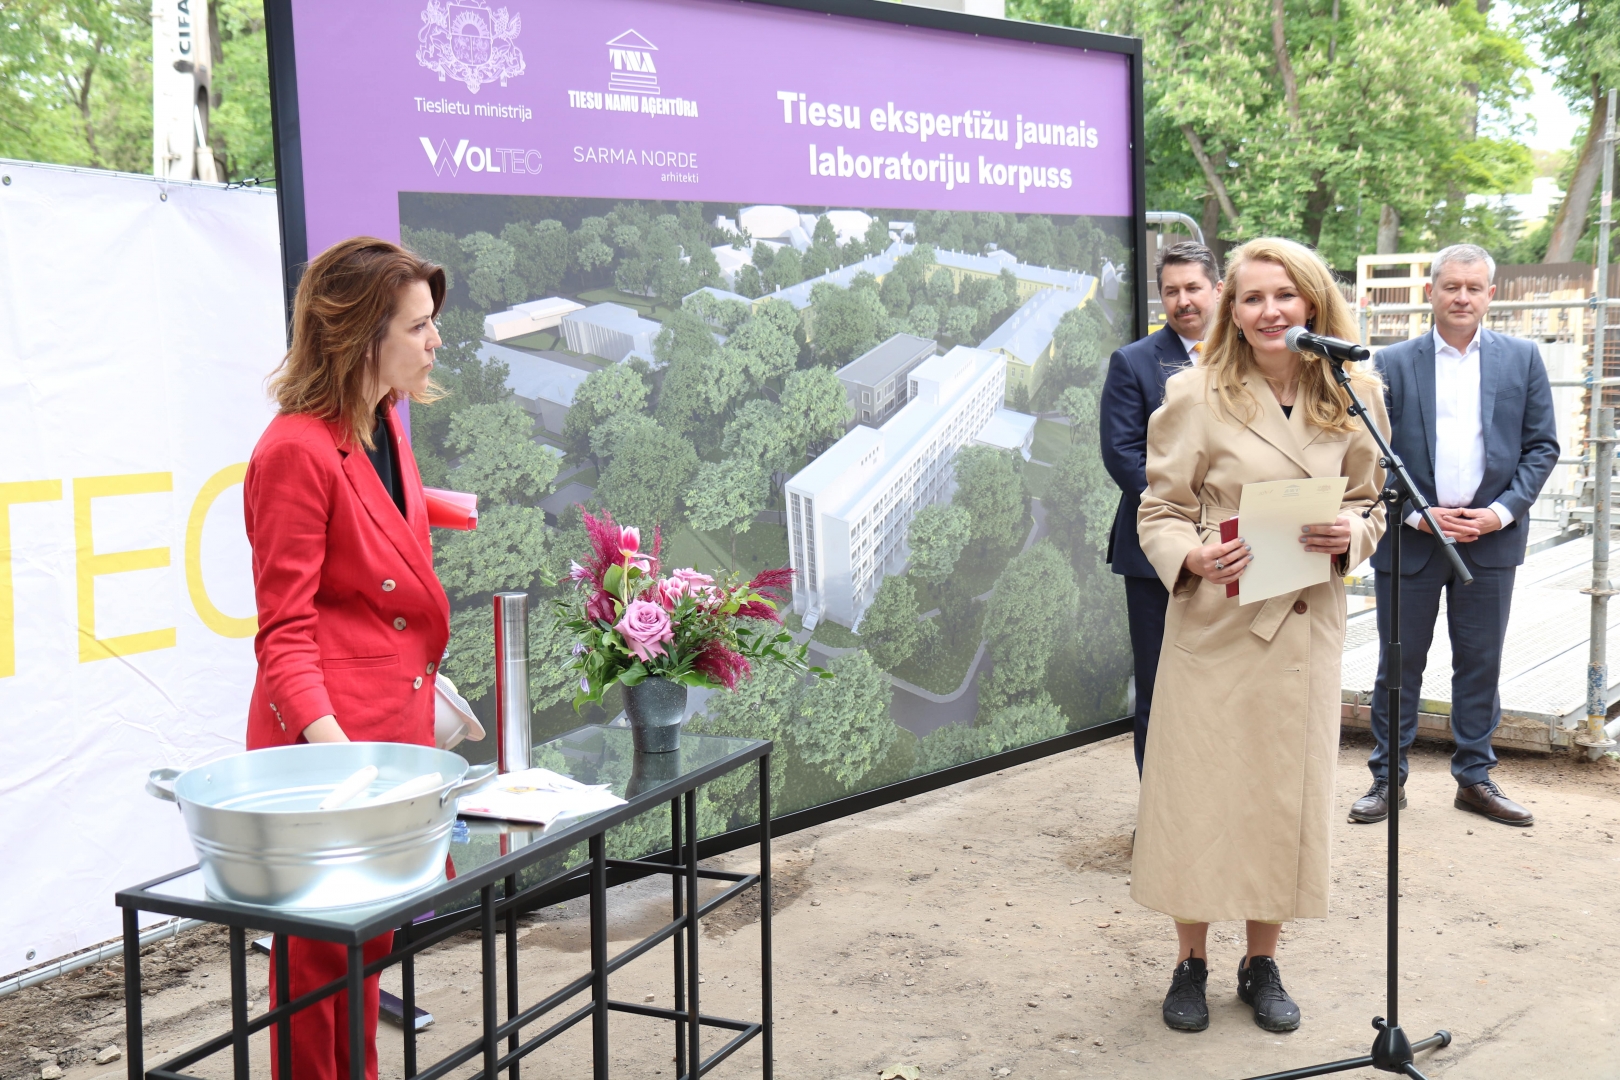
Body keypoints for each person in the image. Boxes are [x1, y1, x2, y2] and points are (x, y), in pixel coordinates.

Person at [1132, 237, 1389, 1034]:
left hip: (1302, 627)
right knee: (1199, 795)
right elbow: (1159, 509)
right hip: (1216, 623)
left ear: (1313, 301)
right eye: (1252, 298)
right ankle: (1190, 962)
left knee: (1280, 797)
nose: (1270, 310)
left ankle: (1261, 962)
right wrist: (1192, 556)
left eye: (1285, 295)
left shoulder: (1355, 391)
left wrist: (1352, 531)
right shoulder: (1194, 393)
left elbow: (1373, 502)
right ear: (1232, 311)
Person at [245, 237, 450, 1080]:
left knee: (367, 953)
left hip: (387, 735)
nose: (435, 340)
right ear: (363, 337)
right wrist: (344, 765)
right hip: (328, 752)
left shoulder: (383, 420)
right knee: (316, 969)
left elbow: (372, 529)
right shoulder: (292, 451)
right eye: (418, 325)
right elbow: (283, 635)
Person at [1350, 244, 1559, 828]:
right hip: (1413, 538)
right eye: (1451, 286)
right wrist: (1418, 515)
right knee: (1398, 664)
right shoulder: (1391, 363)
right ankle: (1387, 779)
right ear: (1431, 292)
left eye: (1473, 287)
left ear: (1491, 294)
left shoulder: (1522, 359)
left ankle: (1475, 778)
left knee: (1480, 663)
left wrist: (1501, 512)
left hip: (1490, 540)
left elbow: (1542, 446)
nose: (1462, 297)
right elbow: (1372, 450)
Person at [1100, 240, 1223, 776]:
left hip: (1239, 546)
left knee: (1225, 682)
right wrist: (1190, 524)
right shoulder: (1134, 362)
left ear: (1218, 289)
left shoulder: (1249, 357)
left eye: (1193, 287)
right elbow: (1123, 455)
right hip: (1156, 553)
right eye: (1171, 291)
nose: (1183, 300)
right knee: (1160, 682)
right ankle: (1157, 807)